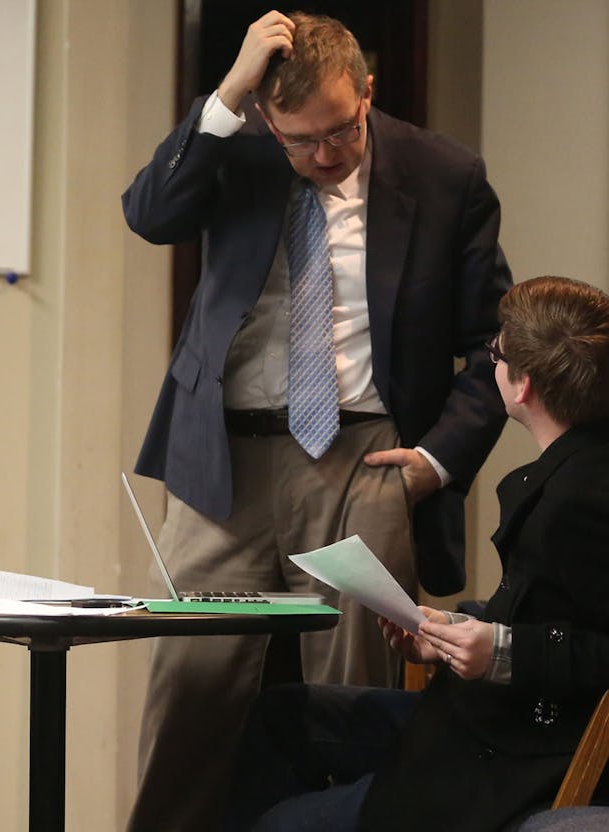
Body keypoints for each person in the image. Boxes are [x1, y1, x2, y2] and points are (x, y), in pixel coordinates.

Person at [120, 10, 512, 830]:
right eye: (303, 141)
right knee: (188, 695)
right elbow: (152, 215)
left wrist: (434, 462)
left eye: (343, 129)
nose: (326, 156)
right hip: (222, 460)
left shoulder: (445, 174)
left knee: (357, 695)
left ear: (368, 93)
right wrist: (225, 96)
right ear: (268, 119)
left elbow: (492, 345)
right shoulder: (234, 145)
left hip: (364, 457)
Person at [224, 275, 609, 831]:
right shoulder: (572, 472)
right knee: (282, 713)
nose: (492, 363)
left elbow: (581, 640)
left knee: (280, 823)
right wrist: (450, 635)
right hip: (491, 721)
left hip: (519, 751)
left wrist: (501, 651)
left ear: (522, 386)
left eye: (497, 354)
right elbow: (553, 610)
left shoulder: (582, 498)